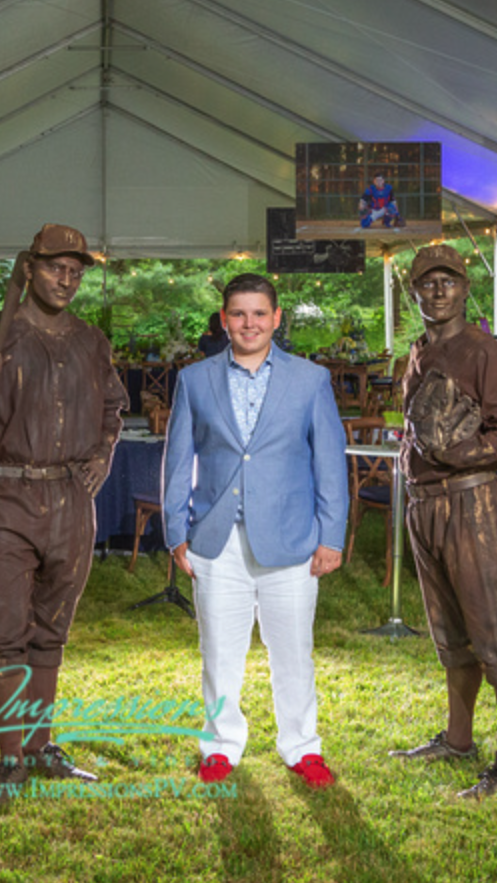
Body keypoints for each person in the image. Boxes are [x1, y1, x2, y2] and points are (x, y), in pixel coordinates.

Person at [0, 224, 127, 806]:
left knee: (51, 631)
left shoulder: (91, 342)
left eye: (76, 271)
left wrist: (103, 454)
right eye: (56, 267)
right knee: (6, 630)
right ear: (29, 269)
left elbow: (113, 407)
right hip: (4, 497)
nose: (67, 279)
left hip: (70, 499)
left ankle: (40, 746)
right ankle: (10, 757)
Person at [161, 273, 349, 789]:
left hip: (292, 541)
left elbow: (330, 464)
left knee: (293, 653)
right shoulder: (194, 380)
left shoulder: (310, 380)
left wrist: (331, 536)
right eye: (239, 314)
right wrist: (176, 531)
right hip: (216, 541)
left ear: (276, 318)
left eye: (259, 313)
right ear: (224, 320)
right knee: (219, 653)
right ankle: (220, 746)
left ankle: (302, 748)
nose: (249, 324)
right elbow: (177, 462)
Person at [390, 244, 497, 799]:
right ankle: (457, 740)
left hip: (470, 502)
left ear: (465, 288)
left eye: (448, 281)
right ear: (413, 292)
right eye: (427, 283)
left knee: (495, 632)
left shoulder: (483, 352)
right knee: (450, 632)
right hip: (424, 504)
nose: (438, 291)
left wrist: (461, 453)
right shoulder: (419, 352)